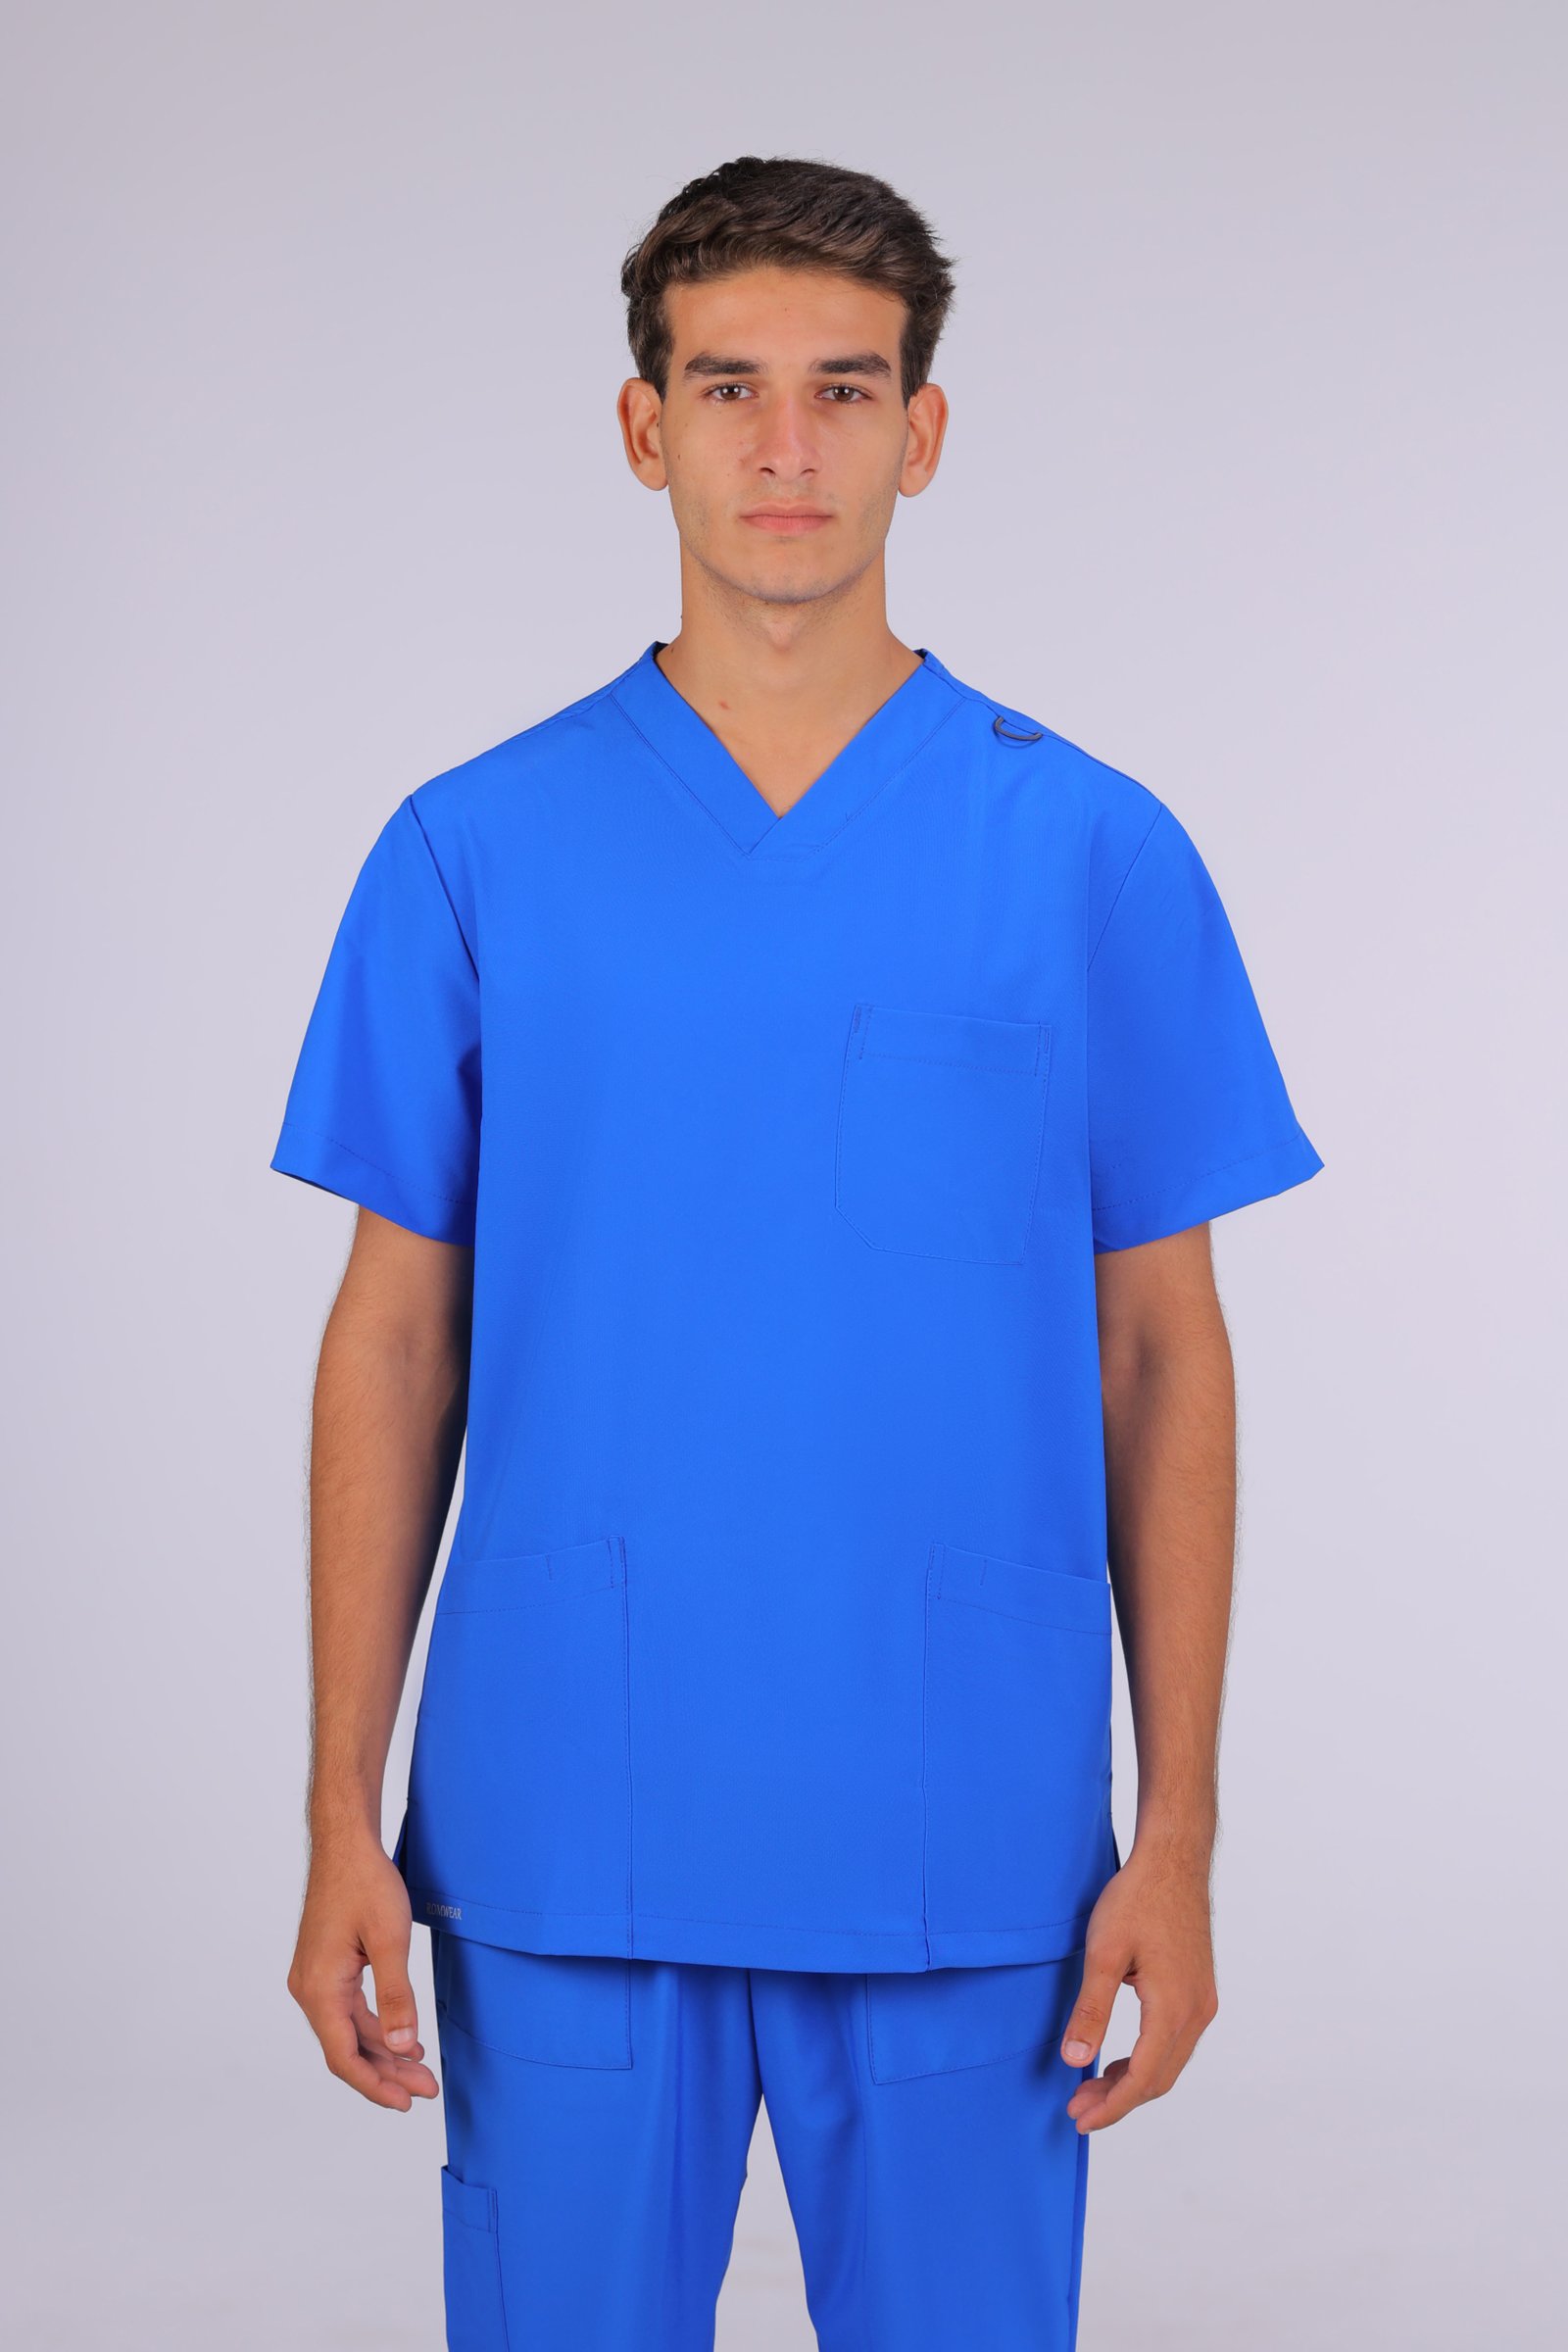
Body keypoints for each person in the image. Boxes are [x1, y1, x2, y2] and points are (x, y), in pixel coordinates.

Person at [271, 154, 1325, 2352]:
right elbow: (392, 1343)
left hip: (964, 1833)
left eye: (843, 390)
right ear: (639, 425)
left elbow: (1163, 1356)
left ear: (920, 434)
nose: (784, 446)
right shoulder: (474, 850)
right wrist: (334, 1814)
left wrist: (1179, 1834)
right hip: (567, 1819)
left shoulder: (1087, 852)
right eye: (727, 387)